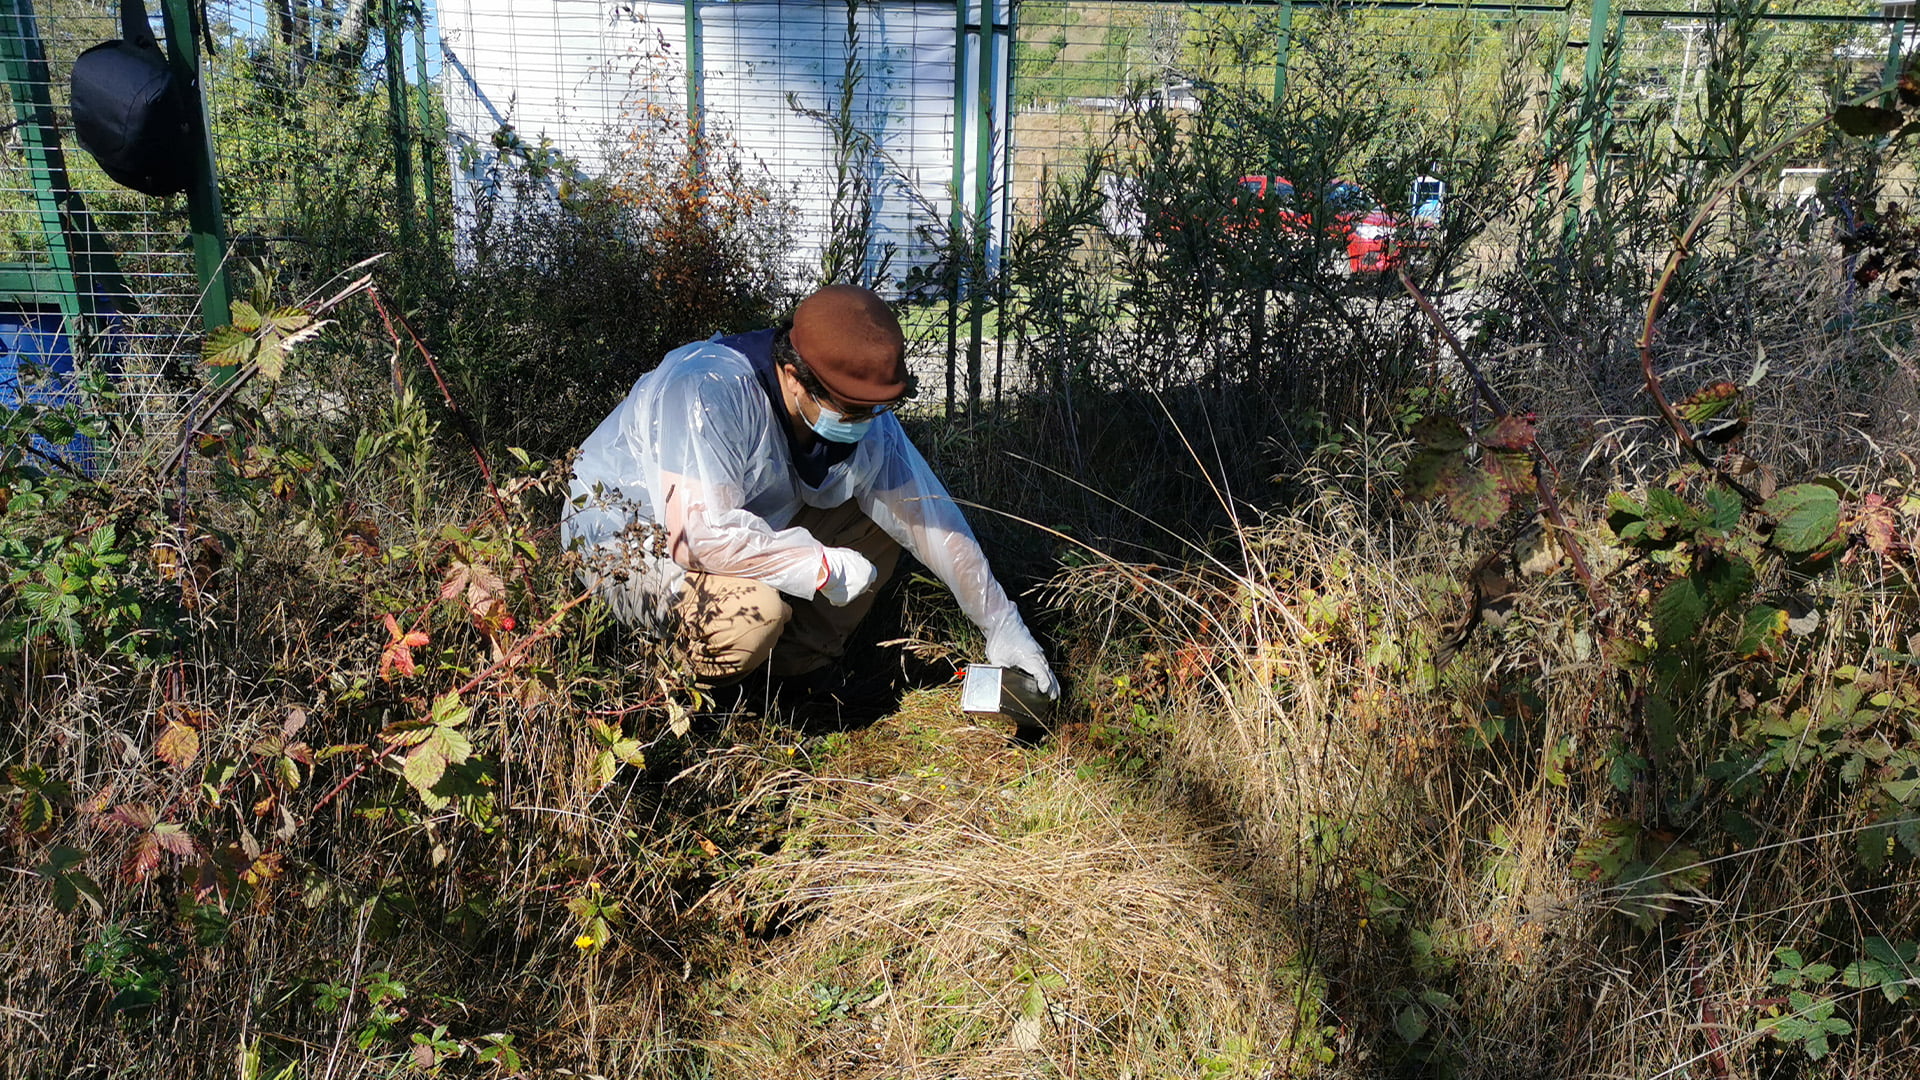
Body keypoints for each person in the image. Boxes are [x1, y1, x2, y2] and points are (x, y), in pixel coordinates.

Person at [561, 284, 1058, 711]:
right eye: (851, 409)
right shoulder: (709, 388)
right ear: (794, 375)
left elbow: (930, 516)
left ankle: (789, 682)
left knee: (884, 523)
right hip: (628, 546)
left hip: (731, 530)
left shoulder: (861, 416)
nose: (865, 423)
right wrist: (819, 566)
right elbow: (696, 536)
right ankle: (696, 700)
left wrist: (1001, 622)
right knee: (751, 619)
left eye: (874, 410)